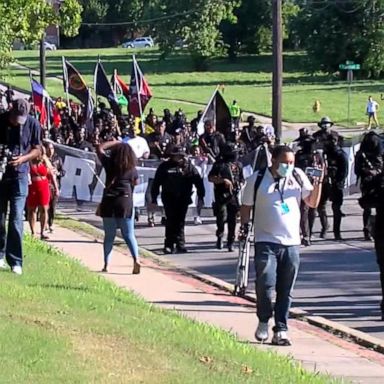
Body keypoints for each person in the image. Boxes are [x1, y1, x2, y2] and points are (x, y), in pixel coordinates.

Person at [240, 145, 322, 346]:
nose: (288, 166)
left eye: (291, 162)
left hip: (291, 242)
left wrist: (318, 182)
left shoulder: (298, 176)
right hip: (265, 240)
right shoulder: (257, 179)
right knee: (265, 284)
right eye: (285, 162)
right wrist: (244, 228)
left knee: (285, 289)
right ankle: (263, 320)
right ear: (273, 160)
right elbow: (246, 206)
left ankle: (281, 329)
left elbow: (312, 202)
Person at [0, 99, 41, 275]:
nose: (18, 121)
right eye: (16, 117)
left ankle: (15, 260)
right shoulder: (1, 120)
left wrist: (23, 159)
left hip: (21, 174)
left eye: (21, 118)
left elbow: (38, 149)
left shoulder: (32, 123)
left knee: (17, 216)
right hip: (2, 174)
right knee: (0, 217)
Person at [96, 140, 141, 275]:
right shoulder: (132, 168)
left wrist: (116, 142)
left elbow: (99, 149)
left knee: (109, 236)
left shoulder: (109, 164)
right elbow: (136, 182)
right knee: (129, 235)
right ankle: (136, 259)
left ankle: (106, 264)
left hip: (109, 200)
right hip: (125, 200)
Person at [150, 146, 205, 254]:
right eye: (177, 155)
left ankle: (180, 244)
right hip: (169, 197)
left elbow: (198, 181)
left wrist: (201, 195)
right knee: (170, 220)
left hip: (183, 197)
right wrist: (154, 198)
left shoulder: (188, 166)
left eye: (181, 155)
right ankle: (168, 245)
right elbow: (156, 183)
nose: (179, 158)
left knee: (180, 221)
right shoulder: (164, 166)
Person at [208, 143, 244, 252]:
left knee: (233, 220)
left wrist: (241, 184)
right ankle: (220, 236)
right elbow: (210, 178)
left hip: (234, 196)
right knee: (221, 218)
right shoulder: (219, 164)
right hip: (221, 195)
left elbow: (242, 178)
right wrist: (223, 180)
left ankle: (231, 242)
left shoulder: (238, 165)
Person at [317, 132, 348, 240]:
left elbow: (344, 172)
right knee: (320, 206)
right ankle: (325, 227)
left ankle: (337, 232)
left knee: (336, 208)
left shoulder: (341, 154)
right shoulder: (325, 154)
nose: (331, 143)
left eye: (333, 140)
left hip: (336, 185)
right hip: (324, 183)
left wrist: (337, 183)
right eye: (329, 141)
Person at [295, 137, 323, 246]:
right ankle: (306, 235)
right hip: (302, 184)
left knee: (312, 210)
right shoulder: (299, 155)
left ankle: (308, 233)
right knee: (304, 210)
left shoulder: (317, 156)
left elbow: (322, 169)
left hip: (314, 185)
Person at [355, 132, 383, 241]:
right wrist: (368, 171)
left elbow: (357, 170)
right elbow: (358, 170)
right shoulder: (362, 154)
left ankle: (369, 230)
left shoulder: (362, 153)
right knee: (369, 207)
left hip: (374, 181)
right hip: (370, 181)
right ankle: (367, 230)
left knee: (370, 207)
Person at [26, 146, 59, 240]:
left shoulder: (44, 161)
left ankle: (42, 232)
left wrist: (56, 187)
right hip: (32, 186)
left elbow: (52, 173)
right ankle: (32, 232)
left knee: (44, 209)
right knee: (32, 209)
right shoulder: (29, 161)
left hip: (43, 186)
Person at [44, 141, 65, 233]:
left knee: (52, 206)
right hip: (45, 185)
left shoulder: (58, 159)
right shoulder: (43, 159)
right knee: (45, 206)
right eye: (49, 148)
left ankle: (50, 223)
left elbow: (63, 171)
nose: (50, 150)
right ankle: (44, 224)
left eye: (52, 148)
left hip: (55, 185)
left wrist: (58, 173)